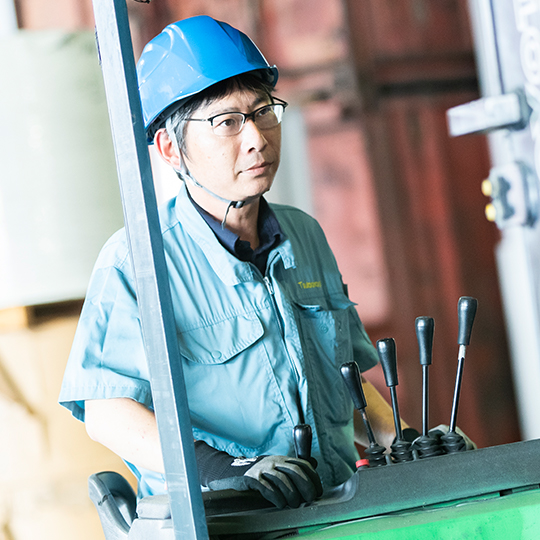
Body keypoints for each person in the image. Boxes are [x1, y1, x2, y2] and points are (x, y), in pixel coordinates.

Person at [59, 15, 408, 509]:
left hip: (334, 508)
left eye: (263, 111)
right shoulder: (138, 261)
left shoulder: (304, 234)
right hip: (225, 523)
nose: (257, 138)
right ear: (170, 148)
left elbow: (342, 376)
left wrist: (404, 440)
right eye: (227, 122)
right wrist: (222, 470)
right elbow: (107, 412)